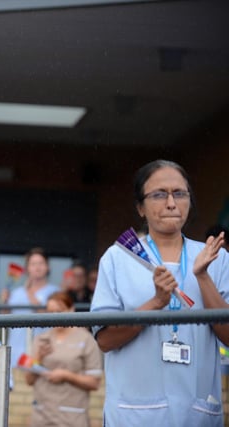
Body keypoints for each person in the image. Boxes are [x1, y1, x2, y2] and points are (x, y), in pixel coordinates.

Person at [90, 159, 229, 426]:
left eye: (179, 193)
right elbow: (105, 340)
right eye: (158, 194)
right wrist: (155, 303)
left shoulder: (215, 258)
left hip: (196, 415)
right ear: (140, 208)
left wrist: (202, 277)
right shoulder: (119, 258)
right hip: (132, 415)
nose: (171, 203)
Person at [24, 291, 102, 426]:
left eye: (59, 311)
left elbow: (94, 382)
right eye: (50, 312)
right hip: (42, 417)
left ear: (71, 310)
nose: (55, 316)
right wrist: (38, 357)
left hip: (71, 418)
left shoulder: (86, 339)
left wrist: (67, 376)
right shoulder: (41, 339)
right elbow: (29, 380)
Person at [4, 247, 59, 366]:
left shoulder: (56, 292)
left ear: (48, 266)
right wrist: (4, 301)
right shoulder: (16, 292)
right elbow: (4, 318)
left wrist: (29, 291)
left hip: (44, 351)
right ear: (27, 268)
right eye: (33, 264)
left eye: (41, 263)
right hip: (16, 351)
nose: (37, 267)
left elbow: (48, 317)